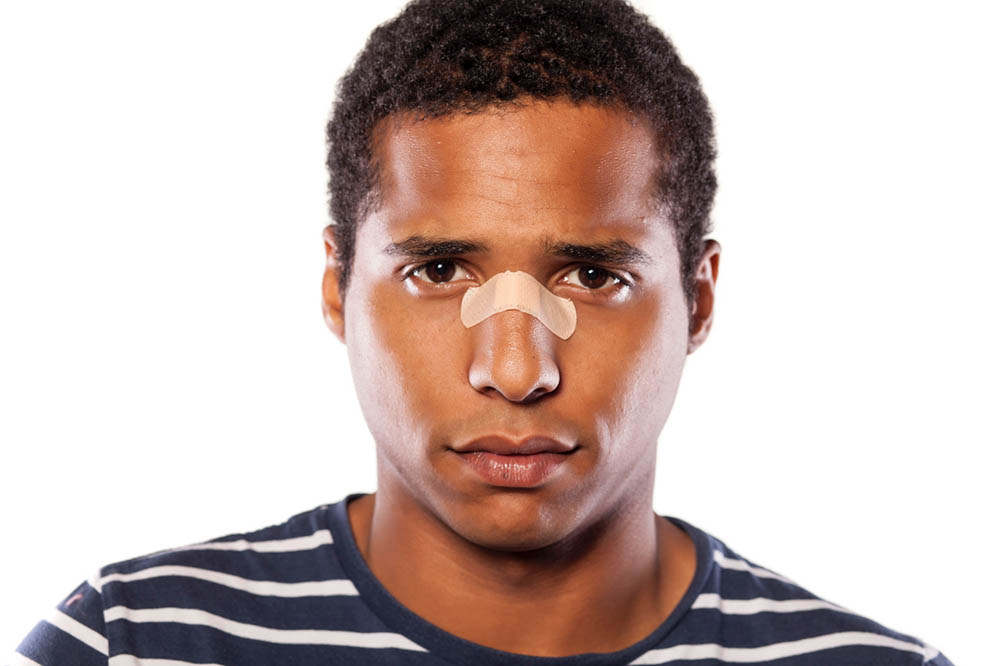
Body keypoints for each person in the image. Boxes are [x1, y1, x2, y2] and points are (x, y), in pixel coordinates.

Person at [12, 0, 954, 664]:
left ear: (698, 299)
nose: (514, 369)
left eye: (593, 276)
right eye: (438, 271)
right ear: (338, 288)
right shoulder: (131, 642)